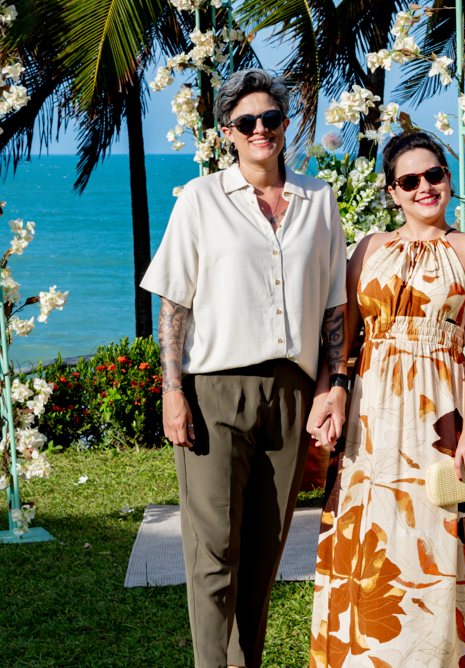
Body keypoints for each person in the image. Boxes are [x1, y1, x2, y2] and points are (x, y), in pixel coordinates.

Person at [140, 69, 349, 668]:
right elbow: (174, 302)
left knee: (263, 554)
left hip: (292, 391)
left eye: (272, 119)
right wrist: (172, 392)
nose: (261, 130)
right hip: (214, 391)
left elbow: (335, 304)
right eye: (246, 122)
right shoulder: (201, 199)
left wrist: (331, 387)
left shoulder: (320, 200)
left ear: (286, 126)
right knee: (213, 552)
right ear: (228, 132)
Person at [309, 132, 465, 667]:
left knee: (436, 536)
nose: (425, 188)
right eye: (409, 181)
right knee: (374, 530)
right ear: (392, 190)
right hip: (371, 417)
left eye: (435, 175)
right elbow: (343, 340)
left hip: (441, 414)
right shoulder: (369, 247)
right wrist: (333, 397)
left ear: (448, 177)